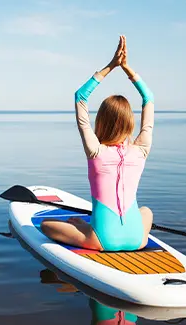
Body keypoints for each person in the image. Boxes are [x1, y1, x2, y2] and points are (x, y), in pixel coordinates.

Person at [41, 35, 154, 251]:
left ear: (101, 122)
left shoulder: (96, 151)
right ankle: (92, 227)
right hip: (138, 240)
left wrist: (111, 66)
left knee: (46, 225)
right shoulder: (141, 150)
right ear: (130, 123)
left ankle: (87, 228)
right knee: (146, 211)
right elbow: (149, 99)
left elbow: (80, 97)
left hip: (102, 241)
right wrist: (126, 68)